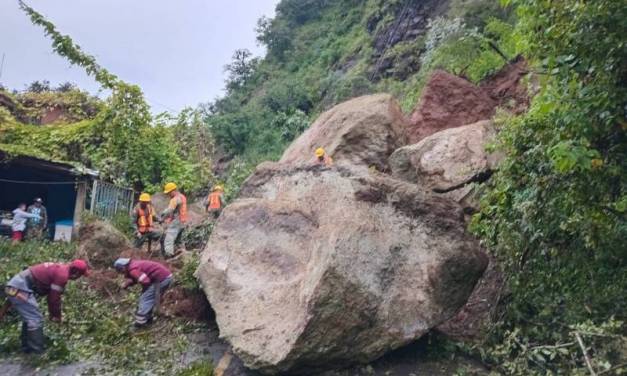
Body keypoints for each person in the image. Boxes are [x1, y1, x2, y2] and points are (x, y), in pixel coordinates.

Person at [3, 260, 90, 353]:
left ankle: (26, 348)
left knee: (30, 318)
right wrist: (56, 317)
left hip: (16, 286)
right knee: (35, 318)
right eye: (80, 275)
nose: (78, 277)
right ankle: (36, 352)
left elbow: (51, 298)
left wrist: (3, 311)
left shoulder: (60, 269)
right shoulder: (62, 276)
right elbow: (53, 299)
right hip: (19, 288)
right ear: (76, 273)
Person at [113, 258, 173, 328]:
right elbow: (138, 278)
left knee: (145, 299)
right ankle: (148, 318)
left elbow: (145, 280)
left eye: (120, 271)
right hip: (163, 277)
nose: (121, 273)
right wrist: (127, 284)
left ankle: (139, 323)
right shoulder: (133, 265)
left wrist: (145, 292)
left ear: (122, 268)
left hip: (162, 279)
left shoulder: (133, 270)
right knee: (148, 297)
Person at [160, 182, 187, 258]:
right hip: (183, 221)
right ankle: (183, 256)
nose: (168, 195)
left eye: (169, 193)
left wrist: (163, 216)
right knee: (179, 240)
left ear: (173, 191)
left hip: (176, 221)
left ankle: (169, 256)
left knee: (169, 239)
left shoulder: (175, 199)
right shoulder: (182, 197)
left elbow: (170, 210)